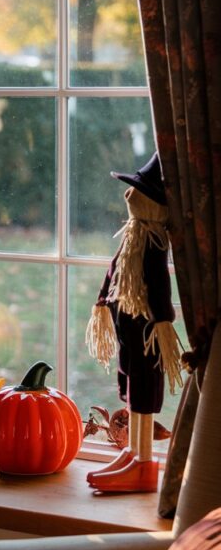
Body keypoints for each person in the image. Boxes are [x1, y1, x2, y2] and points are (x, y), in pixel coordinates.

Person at [85, 152, 182, 493]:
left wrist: (163, 322)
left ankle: (143, 463)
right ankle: (131, 452)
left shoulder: (153, 242)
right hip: (126, 324)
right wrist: (101, 301)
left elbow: (158, 285)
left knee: (142, 392)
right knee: (128, 386)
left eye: (138, 191)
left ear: (155, 204)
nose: (129, 195)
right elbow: (113, 272)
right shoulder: (133, 236)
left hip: (144, 331)